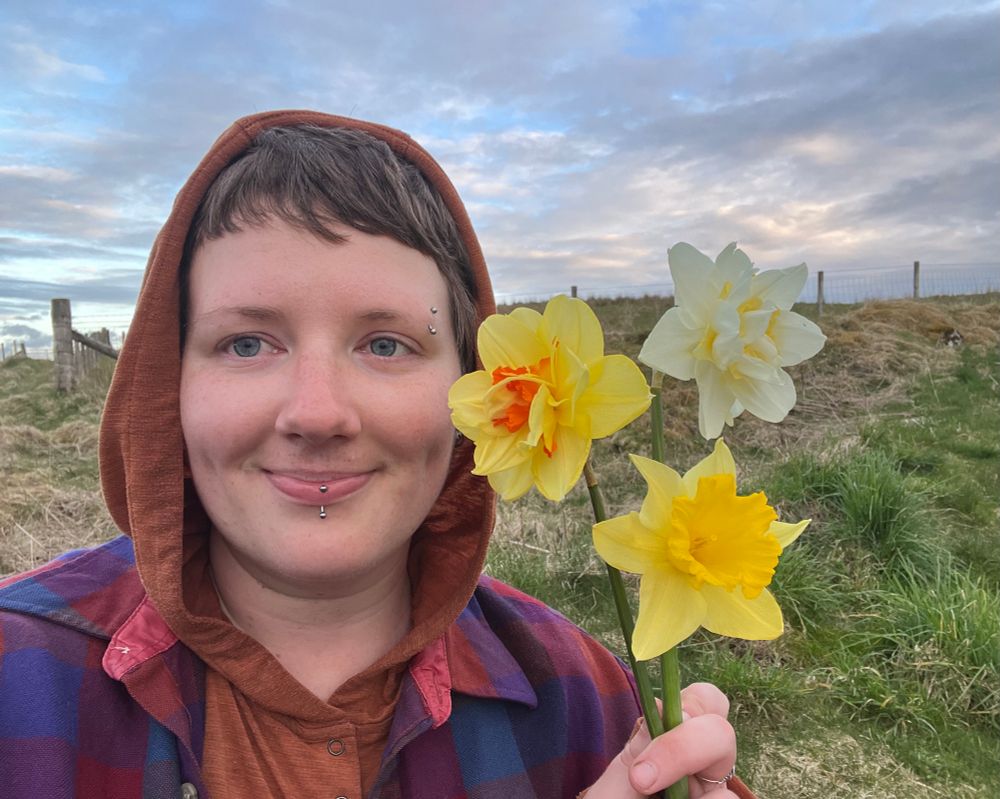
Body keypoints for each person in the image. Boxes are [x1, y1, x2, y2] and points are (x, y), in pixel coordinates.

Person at [0, 111, 752, 799]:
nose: (318, 412)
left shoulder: (588, 704)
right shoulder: (18, 676)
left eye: (386, 344)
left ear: (470, 392)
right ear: (168, 389)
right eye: (247, 343)